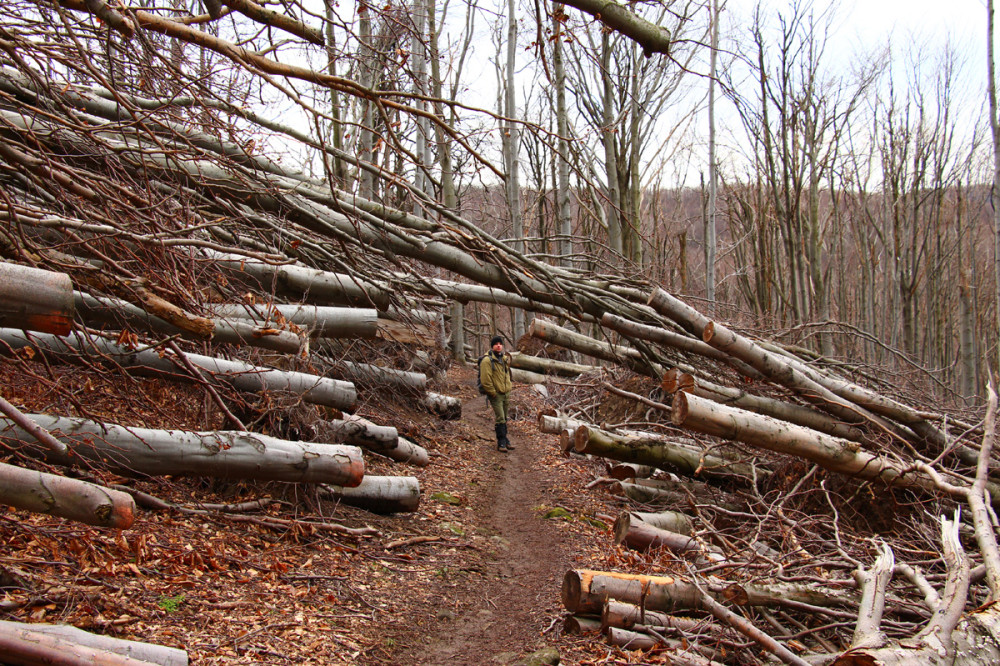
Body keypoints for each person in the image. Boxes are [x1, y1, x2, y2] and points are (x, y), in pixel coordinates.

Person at [479, 335, 515, 452]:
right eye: (496, 344)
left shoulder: (503, 359)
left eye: (500, 344)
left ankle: (505, 439)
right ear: (492, 346)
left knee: (504, 417)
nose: (498, 346)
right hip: (496, 394)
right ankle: (501, 443)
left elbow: (506, 375)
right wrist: (492, 393)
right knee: (500, 418)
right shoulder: (487, 360)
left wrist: (509, 387)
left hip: (505, 393)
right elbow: (485, 379)